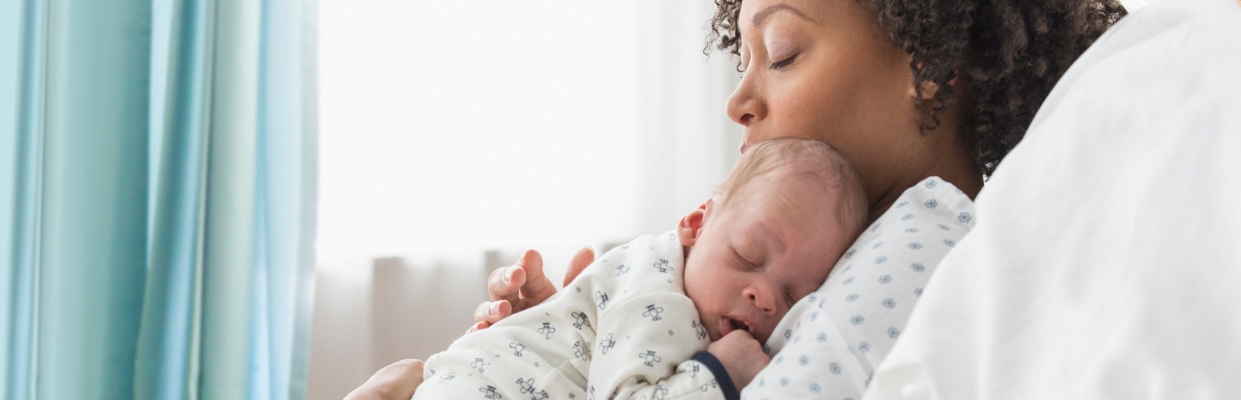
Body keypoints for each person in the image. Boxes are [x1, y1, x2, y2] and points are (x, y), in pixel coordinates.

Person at [347, 0, 1125, 397]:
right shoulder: (822, 271)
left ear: (931, 61)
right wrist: (566, 348)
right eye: (743, 57)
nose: (740, 101)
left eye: (781, 52)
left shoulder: (938, 270)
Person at [410, 138, 868, 400]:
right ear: (695, 225)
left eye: (793, 295)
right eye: (747, 257)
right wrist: (719, 374)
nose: (765, 297)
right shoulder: (660, 293)